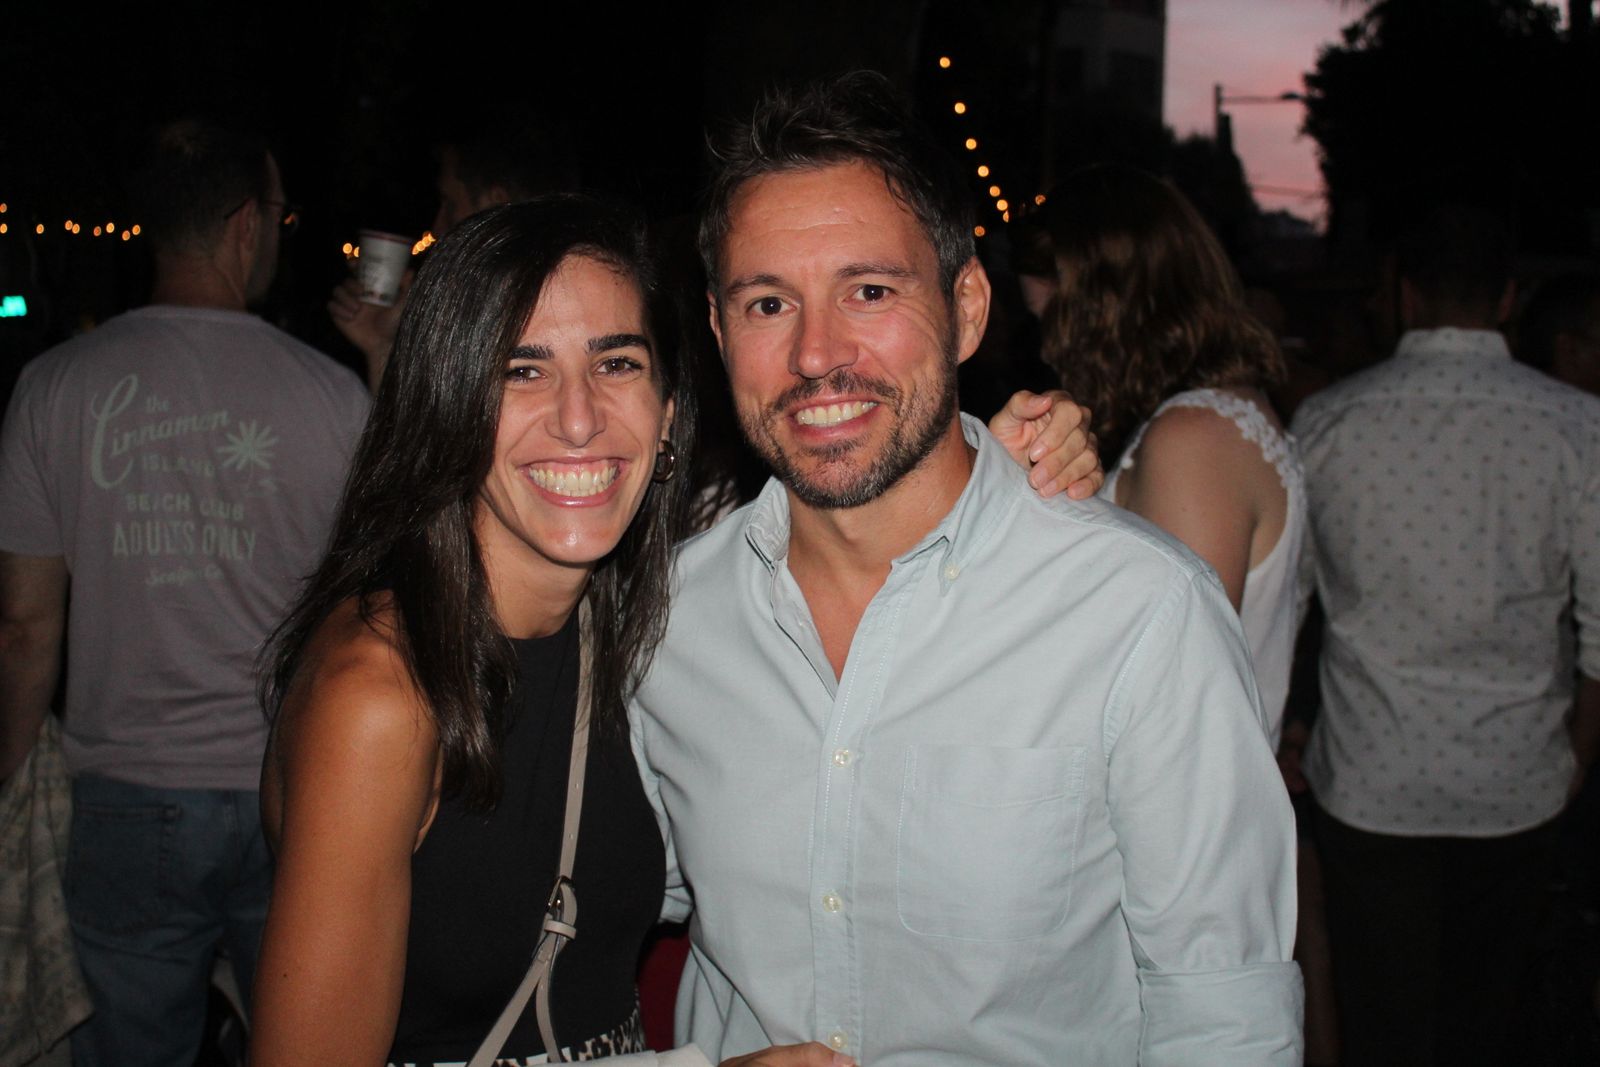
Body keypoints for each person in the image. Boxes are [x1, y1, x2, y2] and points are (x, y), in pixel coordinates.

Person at [247, 194, 1102, 1066]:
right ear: (448, 403)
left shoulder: (640, 626)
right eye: (521, 370)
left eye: (616, 363)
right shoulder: (384, 693)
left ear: (665, 415)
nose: (578, 419)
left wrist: (978, 473)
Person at [630, 71, 1302, 1066]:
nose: (818, 354)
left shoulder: (1135, 613)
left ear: (968, 306)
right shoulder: (668, 618)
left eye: (869, 291)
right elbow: (597, 907)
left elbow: (1224, 1016)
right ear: (721, 331)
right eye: (769, 301)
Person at [0, 119, 370, 1065]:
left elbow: (23, 631)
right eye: (280, 216)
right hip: (291, 789)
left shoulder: (52, 388)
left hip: (123, 798)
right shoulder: (331, 397)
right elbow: (367, 610)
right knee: (306, 1043)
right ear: (247, 225)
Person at [1291, 204, 1600, 1066]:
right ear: (1509, 295)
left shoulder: (1328, 422)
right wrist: (1575, 754)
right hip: (1520, 777)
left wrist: (1289, 724)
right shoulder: (1577, 427)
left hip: (1371, 780)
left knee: (1385, 1021)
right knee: (1489, 1021)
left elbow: (1289, 609)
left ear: (1407, 291)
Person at [1035, 163, 1304, 748]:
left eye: (1043, 279)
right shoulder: (1201, 420)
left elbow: (1173, 695)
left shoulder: (1194, 439)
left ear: (1089, 296)